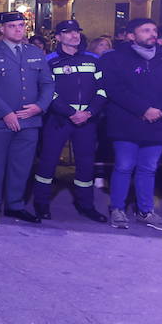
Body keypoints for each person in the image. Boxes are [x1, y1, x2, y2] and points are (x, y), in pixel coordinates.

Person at [99, 18, 162, 230]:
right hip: (127, 122)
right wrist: (143, 109)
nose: (152, 33)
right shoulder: (115, 58)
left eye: (154, 30)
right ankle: (117, 209)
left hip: (157, 123)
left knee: (148, 168)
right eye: (145, 30)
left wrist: (159, 110)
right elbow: (114, 89)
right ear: (131, 35)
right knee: (124, 167)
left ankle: (146, 211)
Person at [0, 12, 54, 224]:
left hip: (29, 120)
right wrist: (6, 113)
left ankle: (15, 205)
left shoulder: (35, 52)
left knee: (21, 165)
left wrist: (39, 106)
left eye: (21, 25)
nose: (19, 29)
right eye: (12, 26)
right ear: (2, 29)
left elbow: (47, 83)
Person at [31, 20, 106, 223]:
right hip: (59, 120)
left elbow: (102, 89)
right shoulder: (50, 61)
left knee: (86, 164)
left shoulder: (93, 59)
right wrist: (69, 112)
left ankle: (86, 205)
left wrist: (89, 112)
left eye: (77, 32)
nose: (74, 36)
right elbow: (47, 91)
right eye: (68, 32)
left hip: (87, 121)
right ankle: (41, 203)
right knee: (48, 162)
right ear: (58, 37)